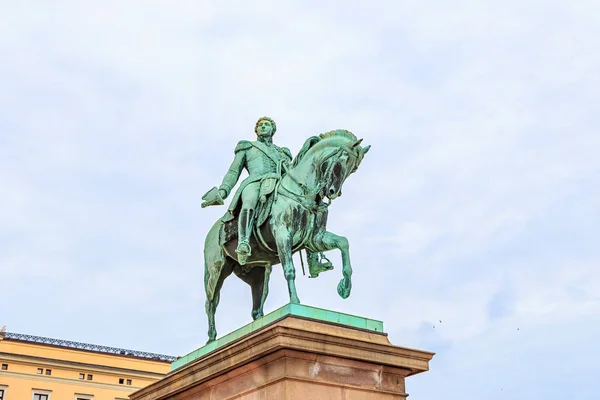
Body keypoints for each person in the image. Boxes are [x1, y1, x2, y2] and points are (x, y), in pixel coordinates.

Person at [201, 116, 292, 264]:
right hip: (255, 181)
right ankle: (243, 242)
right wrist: (223, 191)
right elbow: (233, 172)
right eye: (260, 125)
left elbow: (291, 173)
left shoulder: (282, 153)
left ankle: (312, 257)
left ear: (273, 130)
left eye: (267, 124)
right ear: (256, 130)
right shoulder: (247, 147)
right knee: (249, 203)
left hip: (277, 183)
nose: (263, 127)